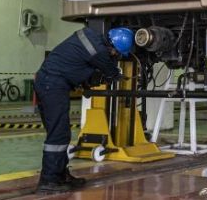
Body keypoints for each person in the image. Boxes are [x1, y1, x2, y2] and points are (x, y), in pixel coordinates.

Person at [34, 26, 134, 193]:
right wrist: (116, 74)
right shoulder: (100, 52)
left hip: (49, 82)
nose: (115, 56)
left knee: (60, 133)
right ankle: (48, 180)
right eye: (116, 53)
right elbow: (110, 71)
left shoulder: (91, 35)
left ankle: (59, 175)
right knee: (58, 134)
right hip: (52, 85)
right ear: (114, 47)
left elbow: (80, 65)